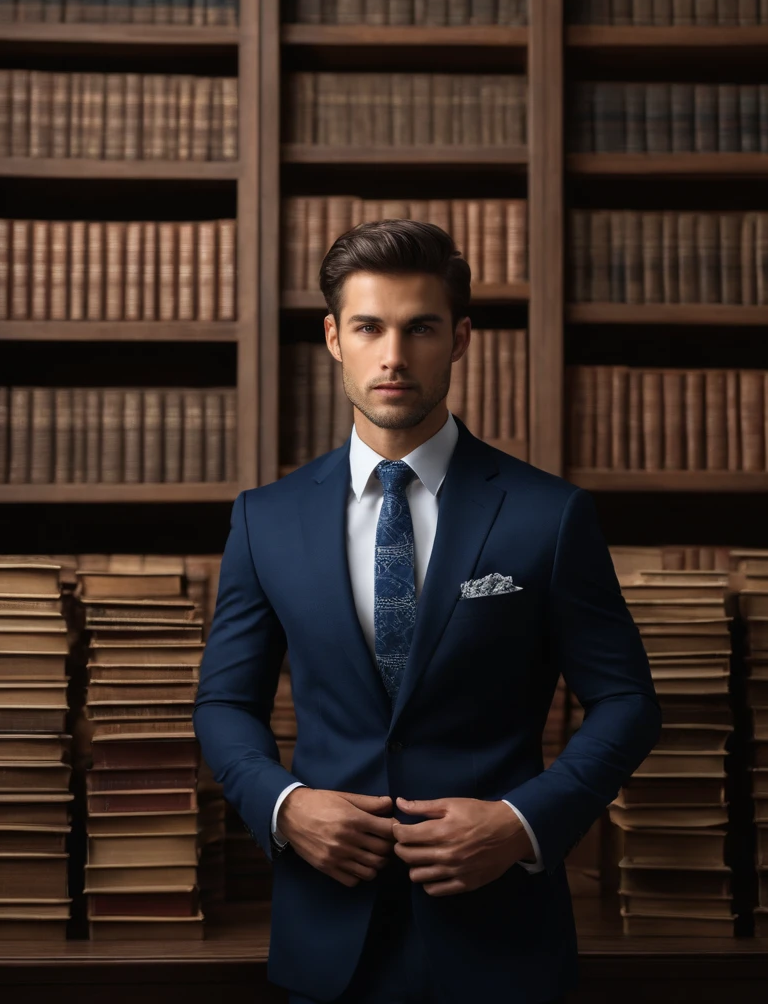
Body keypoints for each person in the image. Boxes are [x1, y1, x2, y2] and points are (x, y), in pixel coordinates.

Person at [193, 220, 661, 1004]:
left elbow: (628, 702)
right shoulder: (262, 519)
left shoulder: (549, 516)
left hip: (501, 934)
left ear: (461, 339)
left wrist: (521, 823)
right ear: (334, 337)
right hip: (325, 932)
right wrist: (285, 805)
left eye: (421, 329)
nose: (394, 356)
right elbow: (224, 702)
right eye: (370, 327)